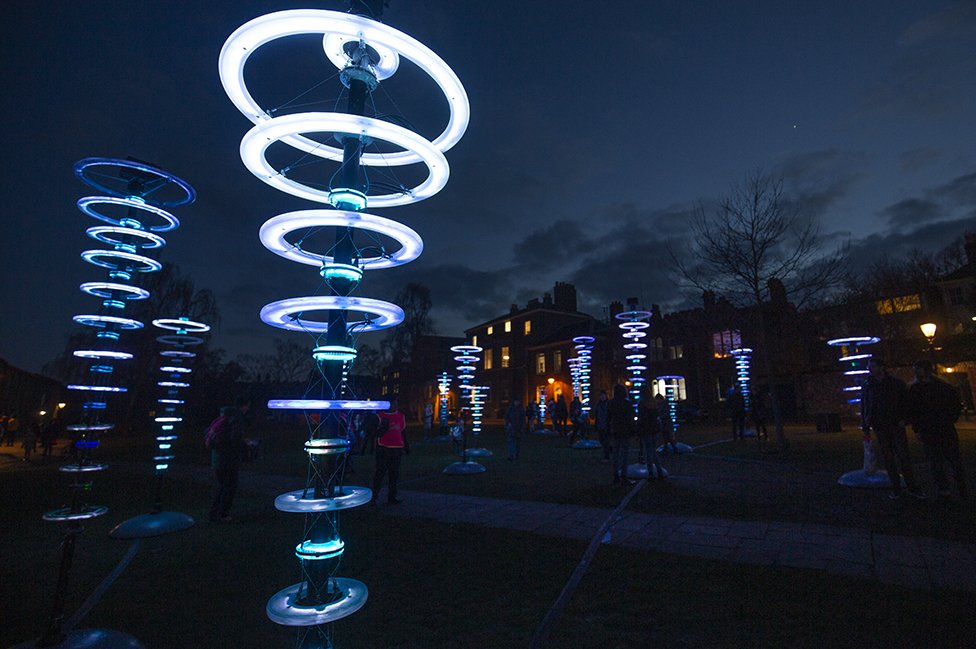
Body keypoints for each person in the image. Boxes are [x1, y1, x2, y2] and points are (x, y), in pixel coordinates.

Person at [861, 358, 924, 500]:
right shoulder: (869, 385)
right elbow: (864, 404)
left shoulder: (893, 384)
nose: (870, 369)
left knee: (902, 457)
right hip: (880, 425)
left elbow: (906, 403)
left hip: (895, 424)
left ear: (881, 367)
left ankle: (910, 486)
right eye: (869, 366)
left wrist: (904, 419)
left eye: (872, 366)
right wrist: (866, 424)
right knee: (889, 458)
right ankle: (898, 487)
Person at [907, 360, 966, 503]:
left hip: (931, 428)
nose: (916, 372)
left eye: (917, 369)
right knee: (950, 458)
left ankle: (945, 490)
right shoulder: (943, 387)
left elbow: (914, 411)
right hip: (942, 427)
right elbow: (955, 405)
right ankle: (959, 487)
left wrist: (917, 428)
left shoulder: (916, 389)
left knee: (938, 460)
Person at [209, 400, 250, 523]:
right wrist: (246, 446)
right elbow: (235, 440)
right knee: (229, 487)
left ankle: (214, 513)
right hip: (228, 459)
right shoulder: (235, 420)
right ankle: (223, 514)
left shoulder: (223, 417)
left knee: (222, 487)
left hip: (217, 457)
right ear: (244, 406)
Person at [372, 399, 408, 505]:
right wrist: (383, 429)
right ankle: (374, 497)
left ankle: (392, 496)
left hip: (396, 448)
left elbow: (402, 431)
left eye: (396, 404)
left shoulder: (400, 416)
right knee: (380, 473)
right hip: (383, 448)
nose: (395, 406)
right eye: (393, 404)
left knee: (394, 474)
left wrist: (406, 446)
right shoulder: (380, 416)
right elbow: (373, 433)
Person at [609, 384, 636, 485]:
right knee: (624, 454)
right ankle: (624, 476)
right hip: (625, 431)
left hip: (615, 430)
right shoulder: (627, 403)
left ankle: (615, 475)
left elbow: (609, 417)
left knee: (616, 454)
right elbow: (630, 417)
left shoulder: (611, 403)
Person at [637, 387, 664, 479]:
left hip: (646, 429)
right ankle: (659, 470)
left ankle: (651, 472)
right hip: (655, 429)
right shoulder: (654, 403)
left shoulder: (642, 403)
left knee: (648, 451)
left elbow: (641, 417)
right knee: (652, 450)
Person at [594, 390, 611, 461]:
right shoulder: (598, 405)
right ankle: (609, 449)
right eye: (601, 396)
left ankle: (606, 455)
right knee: (602, 440)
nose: (602, 397)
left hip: (606, 425)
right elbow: (596, 415)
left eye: (603, 395)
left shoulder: (609, 404)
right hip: (600, 424)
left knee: (605, 440)